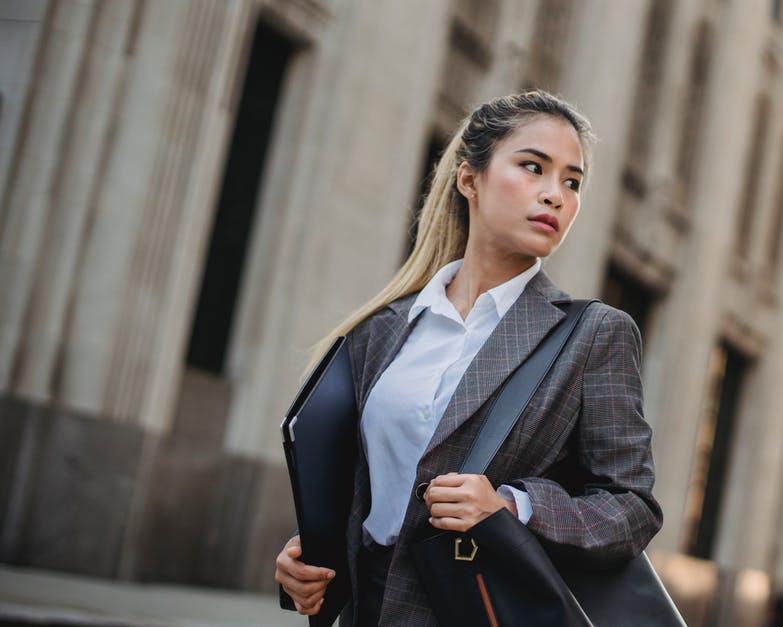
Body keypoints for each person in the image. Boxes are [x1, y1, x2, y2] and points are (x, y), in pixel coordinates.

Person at [274, 90, 663, 626]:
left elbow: (631, 508)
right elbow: (372, 494)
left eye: (572, 182)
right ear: (469, 179)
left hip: (481, 610)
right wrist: (307, 560)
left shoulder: (594, 335)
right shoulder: (384, 330)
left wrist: (513, 509)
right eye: (533, 167)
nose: (555, 195)